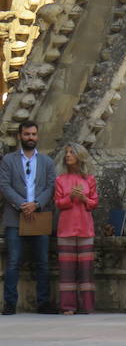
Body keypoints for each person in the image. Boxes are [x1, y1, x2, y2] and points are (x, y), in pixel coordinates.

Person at [0, 121, 57, 315]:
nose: (30, 137)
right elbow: (4, 185)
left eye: (33, 134)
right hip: (15, 217)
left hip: (39, 216)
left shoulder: (47, 162)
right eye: (26, 134)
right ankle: (9, 303)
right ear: (20, 136)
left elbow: (50, 187)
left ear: (38, 136)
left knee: (42, 261)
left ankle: (43, 303)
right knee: (13, 261)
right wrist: (22, 204)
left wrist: (36, 204)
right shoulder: (8, 160)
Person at [53, 143, 98, 315]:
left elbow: (94, 203)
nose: (68, 155)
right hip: (66, 228)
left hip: (85, 228)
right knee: (67, 270)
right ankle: (68, 306)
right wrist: (70, 197)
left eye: (71, 152)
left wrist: (84, 198)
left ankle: (87, 306)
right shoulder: (60, 180)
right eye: (67, 152)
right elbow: (58, 203)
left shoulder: (90, 180)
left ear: (80, 156)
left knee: (86, 269)